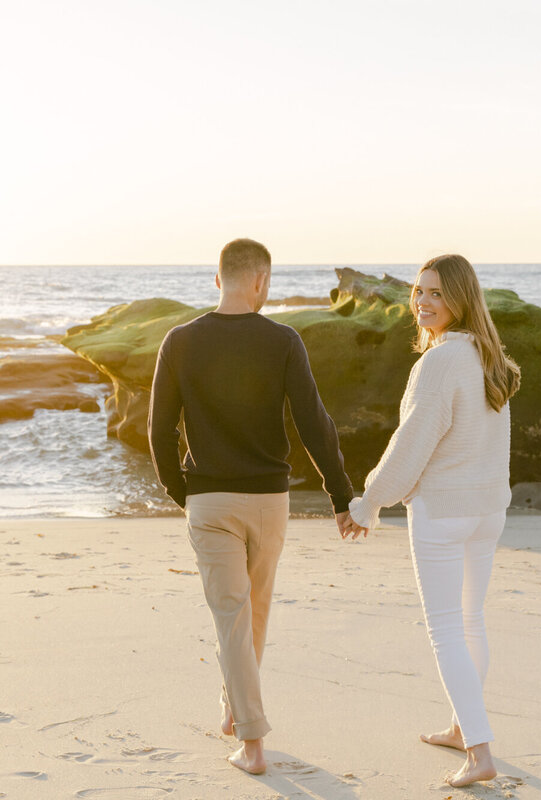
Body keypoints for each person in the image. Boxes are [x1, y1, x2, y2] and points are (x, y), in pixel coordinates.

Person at [148, 237, 363, 775]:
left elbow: (159, 431)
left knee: (234, 616)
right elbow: (316, 424)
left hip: (212, 501)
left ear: (218, 279)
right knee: (251, 613)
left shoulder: (179, 341)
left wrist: (183, 492)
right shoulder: (283, 340)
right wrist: (341, 496)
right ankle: (240, 716)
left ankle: (250, 741)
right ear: (262, 281)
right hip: (270, 501)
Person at [344, 254, 520, 788]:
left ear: (462, 299)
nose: (423, 301)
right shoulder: (491, 360)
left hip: (445, 512)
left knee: (447, 629)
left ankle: (480, 752)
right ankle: (460, 727)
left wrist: (368, 501)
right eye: (419, 292)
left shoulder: (440, 363)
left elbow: (411, 445)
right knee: (472, 622)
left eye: (437, 293)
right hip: (488, 510)